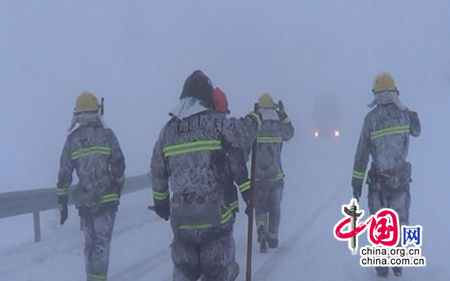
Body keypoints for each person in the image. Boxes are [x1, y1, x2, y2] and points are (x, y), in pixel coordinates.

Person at [149, 70, 260, 281]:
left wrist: (161, 203)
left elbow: (157, 171)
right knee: (217, 273)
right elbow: (243, 133)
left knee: (183, 273)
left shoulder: (167, 131)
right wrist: (257, 119)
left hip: (182, 223)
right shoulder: (217, 124)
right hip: (214, 221)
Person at [351, 72, 421, 277]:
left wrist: (356, 181)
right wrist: (406, 109)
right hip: (400, 180)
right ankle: (397, 260)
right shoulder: (404, 115)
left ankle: (382, 264)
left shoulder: (371, 119)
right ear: (394, 92)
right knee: (399, 222)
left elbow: (362, 153)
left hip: (378, 183)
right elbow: (417, 130)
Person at [57, 91, 125, 281]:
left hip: (86, 202)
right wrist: (118, 186)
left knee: (90, 244)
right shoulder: (107, 135)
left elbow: (64, 174)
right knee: (102, 246)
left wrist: (62, 203)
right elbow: (119, 164)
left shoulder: (72, 140)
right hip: (107, 200)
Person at [253, 93, 294, 253]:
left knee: (260, 207)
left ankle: (261, 230)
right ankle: (273, 238)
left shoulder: (255, 125)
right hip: (276, 177)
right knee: (275, 209)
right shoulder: (278, 125)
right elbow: (290, 132)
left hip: (258, 177)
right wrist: (283, 114)